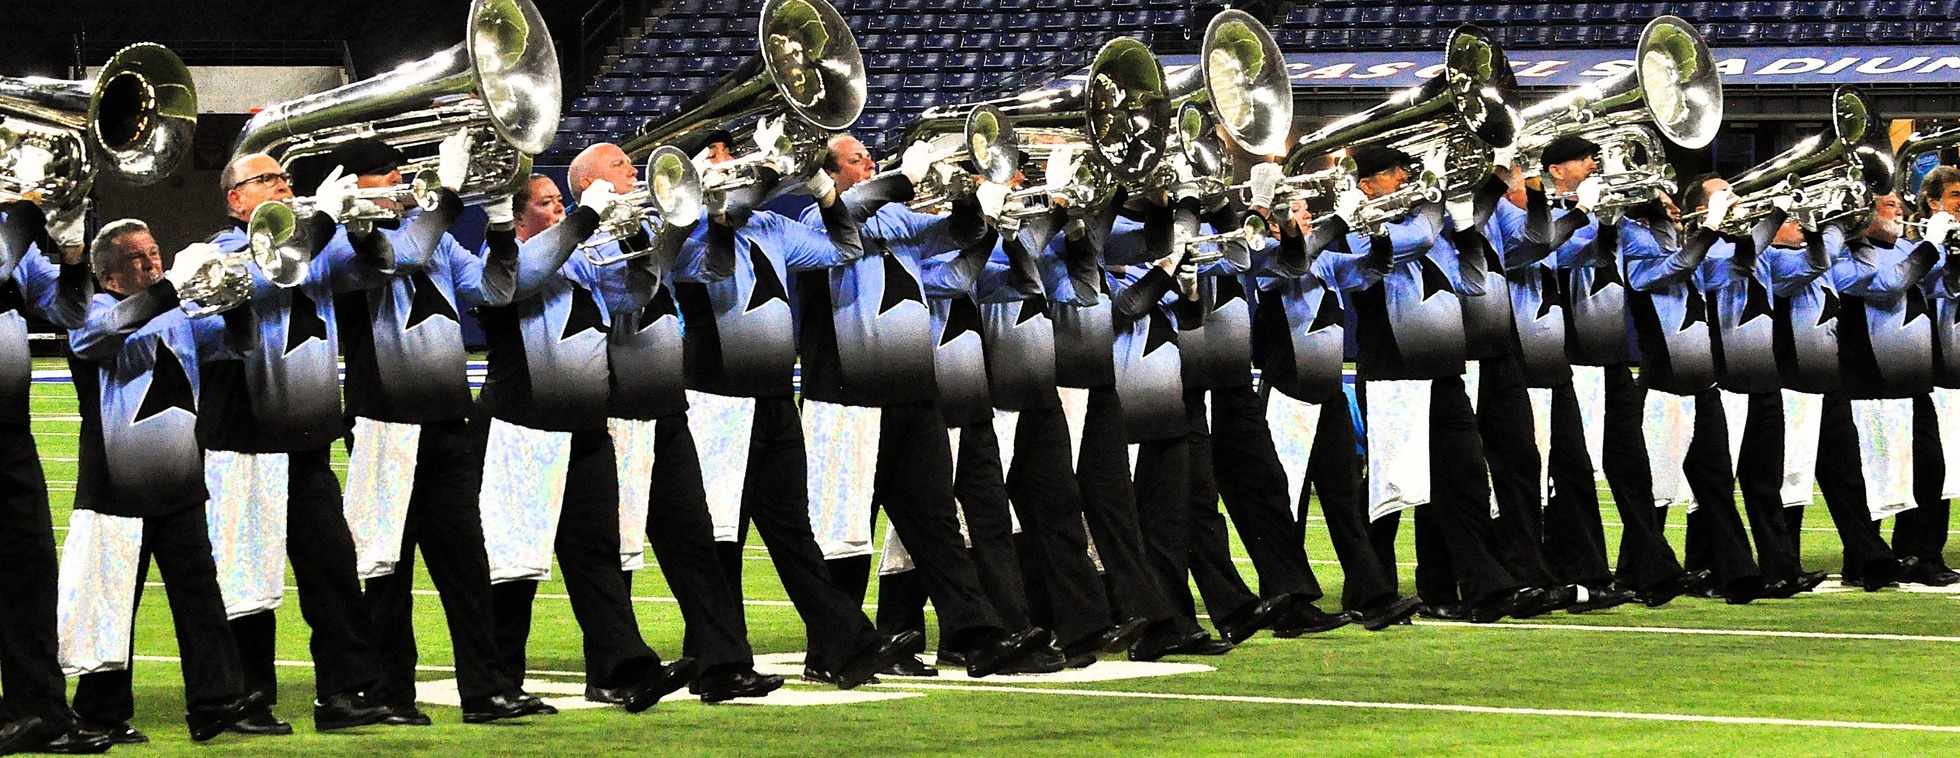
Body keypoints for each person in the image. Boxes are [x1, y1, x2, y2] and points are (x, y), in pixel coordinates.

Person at [792, 133, 1051, 677]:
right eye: (858, 160)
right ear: (830, 173)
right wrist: (906, 177)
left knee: (937, 526)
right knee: (844, 532)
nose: (870, 164)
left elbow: (956, 236)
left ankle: (976, 638)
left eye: (871, 157)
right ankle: (831, 652)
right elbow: (846, 218)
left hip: (915, 395)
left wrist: (974, 201)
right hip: (846, 401)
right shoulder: (815, 222)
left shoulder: (896, 221)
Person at [325, 134, 553, 724]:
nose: (397, 182)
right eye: (382, 175)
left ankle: (485, 690)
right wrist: (447, 194)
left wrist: (501, 228)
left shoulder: (440, 238)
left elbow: (497, 290)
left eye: (399, 172)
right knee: (386, 568)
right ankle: (389, 691)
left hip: (449, 420)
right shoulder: (348, 243)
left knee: (466, 565)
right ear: (354, 185)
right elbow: (397, 256)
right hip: (384, 425)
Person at [477, 144, 702, 713]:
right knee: (514, 564)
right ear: (519, 215)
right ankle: (496, 685)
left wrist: (654, 235)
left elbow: (637, 293)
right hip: (521, 427)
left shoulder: (579, 259)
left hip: (584, 428)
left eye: (560, 203)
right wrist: (581, 218)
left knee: (597, 552)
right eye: (548, 204)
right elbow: (523, 279)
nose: (558, 210)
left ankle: (622, 671)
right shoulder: (500, 259)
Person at [1312, 145, 1543, 622]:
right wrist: (1436, 205)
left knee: (1465, 481)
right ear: (1368, 183)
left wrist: (1467, 233)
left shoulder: (1431, 228)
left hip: (1444, 372)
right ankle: (1368, 590)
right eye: (1395, 172)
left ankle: (1485, 588)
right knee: (1389, 489)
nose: (1404, 177)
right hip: (1392, 375)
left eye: (1404, 169)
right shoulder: (1361, 228)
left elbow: (1474, 285)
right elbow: (1403, 245)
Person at [67, 221, 267, 743]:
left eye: (156, 252)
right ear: (110, 276)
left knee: (200, 598)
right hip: (117, 486)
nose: (153, 263)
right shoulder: (89, 312)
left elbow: (236, 344)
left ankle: (216, 702)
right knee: (113, 601)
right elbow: (98, 337)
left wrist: (236, 296)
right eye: (139, 259)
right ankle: (99, 713)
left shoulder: (176, 314)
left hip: (179, 480)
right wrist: (171, 287)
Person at [0, 200, 110, 753]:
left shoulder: (12, 243)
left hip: (10, 433)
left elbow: (69, 313)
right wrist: (24, 213)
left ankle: (38, 713)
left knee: (30, 572)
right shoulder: (8, 236)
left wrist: (70, 256)